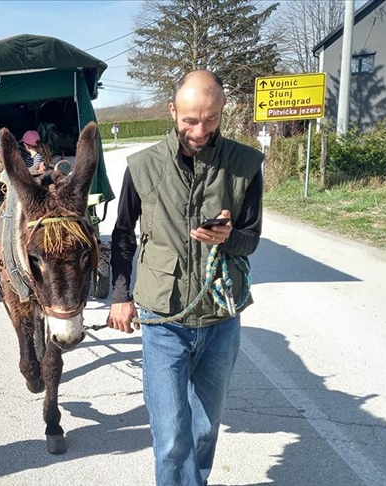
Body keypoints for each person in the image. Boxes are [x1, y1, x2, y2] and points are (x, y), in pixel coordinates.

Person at [106, 69, 263, 486]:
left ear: (222, 111)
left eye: (210, 119)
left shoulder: (245, 165)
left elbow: (251, 241)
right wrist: (120, 296)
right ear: (173, 110)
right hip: (163, 319)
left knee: (206, 428)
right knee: (172, 432)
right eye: (190, 119)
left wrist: (229, 238)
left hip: (220, 318)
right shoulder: (143, 167)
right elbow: (122, 235)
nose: (199, 130)